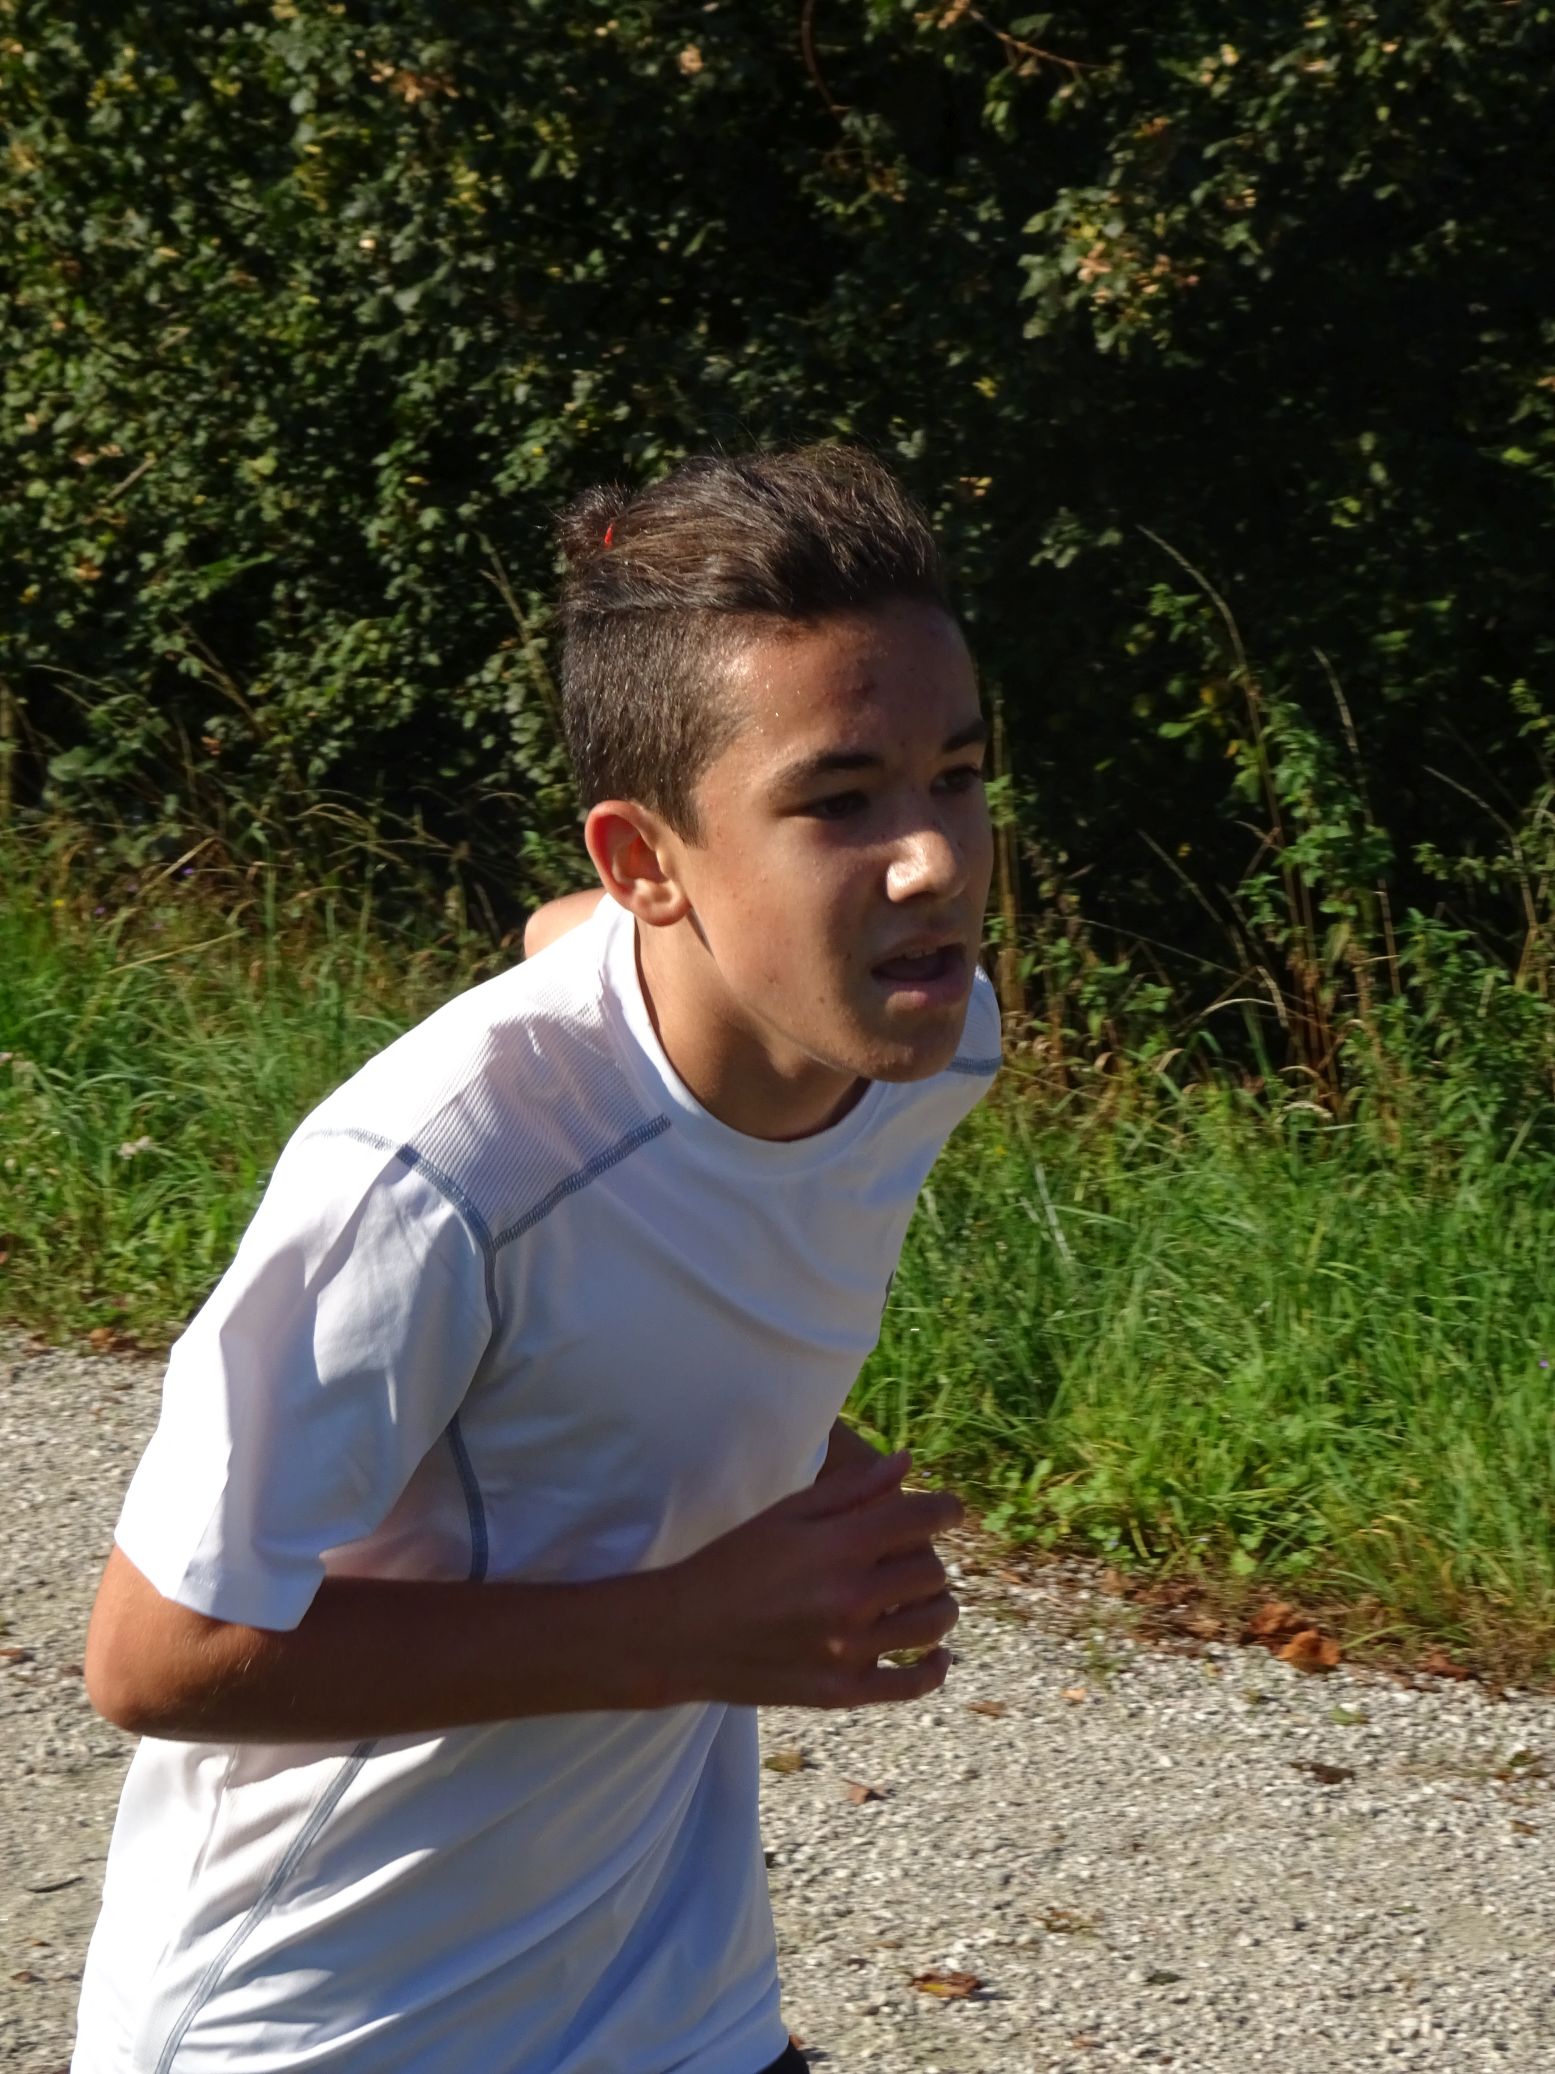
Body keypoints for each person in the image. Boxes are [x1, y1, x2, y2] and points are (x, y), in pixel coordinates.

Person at [73, 446, 1001, 2074]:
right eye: (839, 801)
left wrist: (765, 1436)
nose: (932, 861)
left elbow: (588, 974)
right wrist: (692, 1625)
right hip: (329, 2025)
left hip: (670, 2006)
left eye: (960, 775)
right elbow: (156, 1655)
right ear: (650, 863)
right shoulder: (432, 1180)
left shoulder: (926, 1038)